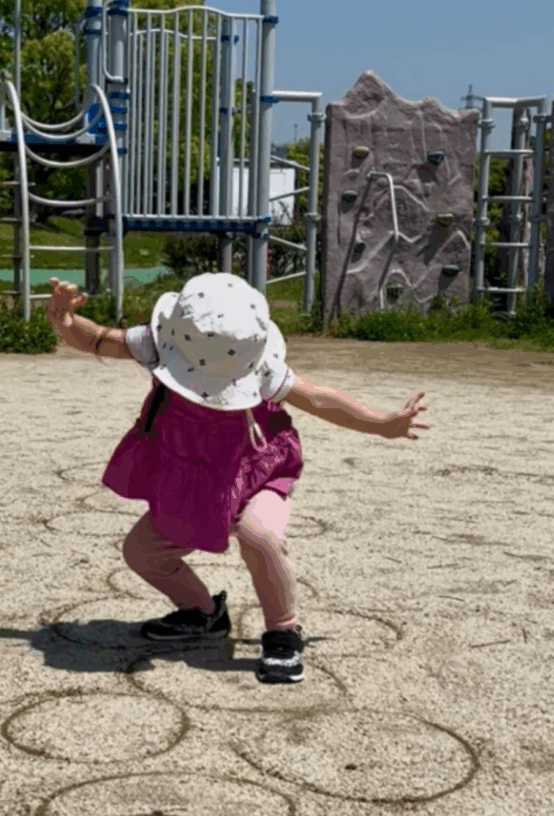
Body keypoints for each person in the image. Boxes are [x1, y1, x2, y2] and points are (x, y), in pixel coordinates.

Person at [46, 272, 428, 684]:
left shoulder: (261, 369)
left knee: (259, 535)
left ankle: (283, 630)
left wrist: (381, 423)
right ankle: (202, 613)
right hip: (192, 476)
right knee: (142, 552)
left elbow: (320, 399)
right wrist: (64, 319)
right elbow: (97, 339)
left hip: (256, 469)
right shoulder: (162, 343)